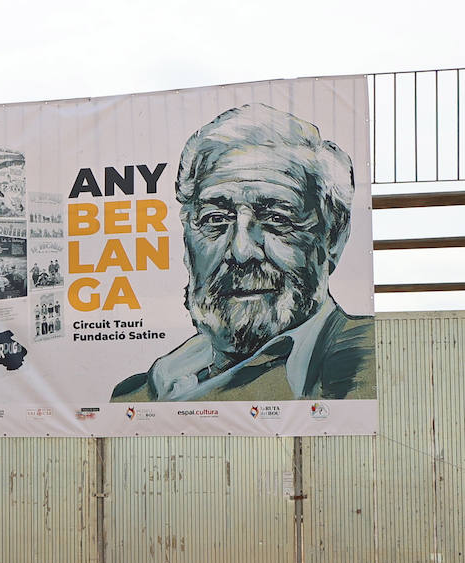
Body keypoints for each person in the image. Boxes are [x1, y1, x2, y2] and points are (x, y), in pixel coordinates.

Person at [113, 103, 374, 403]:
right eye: (215, 219)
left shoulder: (364, 372)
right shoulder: (134, 396)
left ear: (333, 238)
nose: (241, 251)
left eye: (277, 218)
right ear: (187, 242)